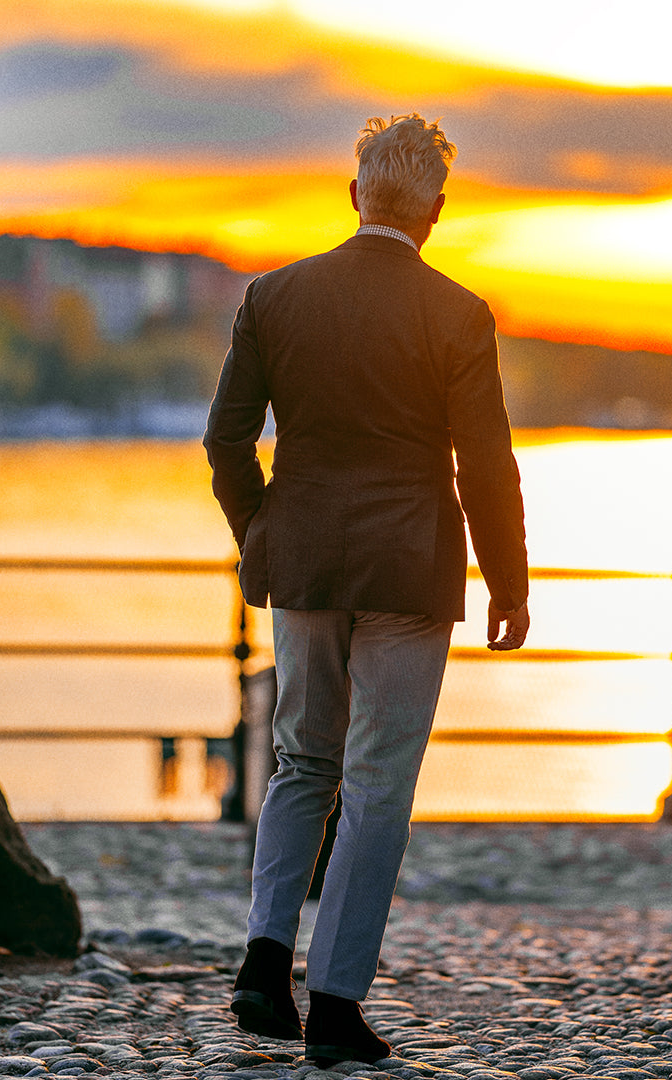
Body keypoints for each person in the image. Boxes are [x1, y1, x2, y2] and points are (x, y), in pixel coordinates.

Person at [204, 113, 529, 1067]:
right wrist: (508, 581)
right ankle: (337, 1004)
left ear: (355, 196)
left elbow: (226, 441)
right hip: (409, 569)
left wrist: (261, 533)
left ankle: (265, 959)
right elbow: (485, 465)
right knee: (379, 782)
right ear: (436, 211)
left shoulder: (273, 297)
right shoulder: (458, 314)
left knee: (302, 761)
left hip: (304, 561)